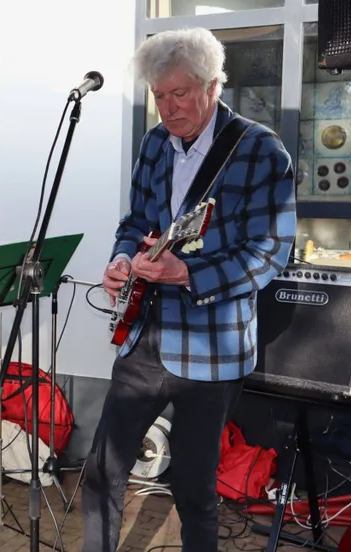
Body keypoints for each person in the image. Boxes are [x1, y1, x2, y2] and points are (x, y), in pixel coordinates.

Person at [83, 28, 296, 552]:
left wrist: (188, 274)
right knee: (100, 472)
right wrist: (121, 260)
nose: (168, 107)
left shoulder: (262, 150)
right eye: (158, 95)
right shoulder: (155, 143)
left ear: (213, 85)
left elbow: (269, 253)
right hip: (144, 339)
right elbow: (136, 221)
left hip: (213, 350)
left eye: (179, 93)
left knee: (194, 489)